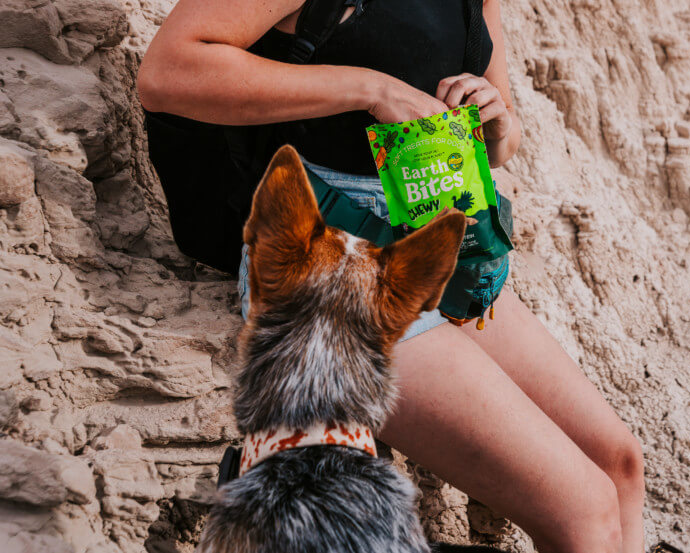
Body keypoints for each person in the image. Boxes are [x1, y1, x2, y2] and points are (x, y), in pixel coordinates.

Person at [137, 1, 645, 551]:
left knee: (618, 466)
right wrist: (373, 89)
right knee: (583, 508)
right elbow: (169, 71)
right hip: (327, 255)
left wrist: (496, 124)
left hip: (429, 239)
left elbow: (504, 143)